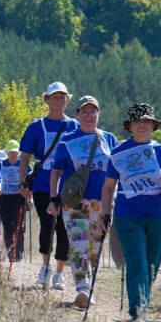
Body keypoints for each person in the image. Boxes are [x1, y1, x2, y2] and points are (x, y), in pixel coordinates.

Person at [99, 104, 161, 322]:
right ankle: (137, 312)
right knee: (138, 262)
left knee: (152, 264)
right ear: (130, 126)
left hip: (156, 215)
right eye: (137, 121)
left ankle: (143, 304)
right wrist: (105, 214)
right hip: (128, 215)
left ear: (153, 125)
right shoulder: (118, 152)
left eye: (147, 121)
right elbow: (108, 187)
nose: (142, 125)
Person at [48, 96, 118, 308]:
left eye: (93, 111)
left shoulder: (109, 139)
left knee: (95, 245)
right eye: (84, 112)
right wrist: (53, 198)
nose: (89, 116)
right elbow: (55, 172)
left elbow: (116, 170)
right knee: (79, 243)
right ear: (77, 115)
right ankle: (82, 287)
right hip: (74, 201)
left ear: (98, 114)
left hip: (102, 201)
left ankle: (89, 286)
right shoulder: (67, 140)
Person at [18, 82, 78, 289]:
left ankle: (59, 272)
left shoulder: (74, 126)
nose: (59, 101)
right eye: (55, 97)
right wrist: (22, 181)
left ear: (67, 100)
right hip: (43, 182)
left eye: (62, 97)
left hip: (68, 184)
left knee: (64, 227)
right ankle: (45, 265)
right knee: (47, 223)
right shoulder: (37, 126)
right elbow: (25, 156)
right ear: (47, 100)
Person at [0, 140, 30, 263]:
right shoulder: (0, 165)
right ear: (7, 152)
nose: (13, 155)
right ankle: (11, 254)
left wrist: (29, 198)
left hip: (19, 197)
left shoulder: (24, 164)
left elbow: (30, 181)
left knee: (18, 227)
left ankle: (19, 255)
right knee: (7, 227)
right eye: (11, 152)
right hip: (4, 198)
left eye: (15, 152)